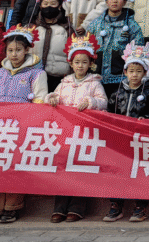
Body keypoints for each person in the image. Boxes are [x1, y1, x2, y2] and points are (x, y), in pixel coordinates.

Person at [0, 25, 47, 224]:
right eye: (10, 50)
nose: (14, 54)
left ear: (27, 49)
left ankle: (12, 207)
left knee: (15, 166)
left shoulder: (37, 73)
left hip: (22, 127)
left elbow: (40, 100)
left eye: (18, 50)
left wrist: (32, 123)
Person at [45, 33, 107, 223]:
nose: (80, 65)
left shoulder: (94, 83)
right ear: (71, 63)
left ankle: (77, 208)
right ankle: (59, 208)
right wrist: (51, 98)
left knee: (81, 169)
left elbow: (103, 102)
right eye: (77, 62)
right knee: (63, 169)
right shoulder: (64, 83)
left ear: (91, 64)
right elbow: (54, 97)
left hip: (84, 133)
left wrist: (90, 101)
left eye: (84, 62)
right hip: (65, 132)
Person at [103, 44, 149, 223]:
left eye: (138, 71)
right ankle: (116, 205)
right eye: (131, 71)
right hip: (120, 139)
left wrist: (146, 118)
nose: (134, 75)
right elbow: (110, 111)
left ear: (145, 73)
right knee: (118, 171)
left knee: (140, 172)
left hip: (140, 140)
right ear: (125, 72)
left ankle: (140, 206)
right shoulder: (117, 93)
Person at [91, 0, 145, 98]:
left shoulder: (132, 26)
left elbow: (139, 51)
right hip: (96, 77)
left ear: (124, 1)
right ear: (106, 1)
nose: (115, 1)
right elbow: (88, 48)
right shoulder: (96, 24)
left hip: (121, 78)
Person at [30, 0, 71, 92]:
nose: (49, 6)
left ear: (59, 6)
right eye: (45, 3)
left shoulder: (68, 29)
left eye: (53, 4)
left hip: (59, 78)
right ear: (40, 5)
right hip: (33, 76)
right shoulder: (31, 28)